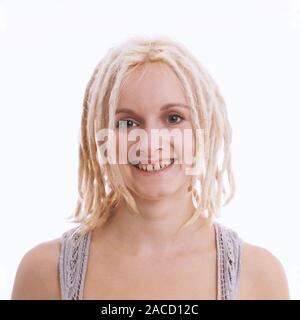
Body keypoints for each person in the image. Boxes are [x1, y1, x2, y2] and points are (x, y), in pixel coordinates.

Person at [11, 36, 290, 300]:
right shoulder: (44, 274)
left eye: (173, 118)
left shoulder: (259, 276)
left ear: (203, 130)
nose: (150, 143)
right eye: (128, 123)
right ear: (100, 138)